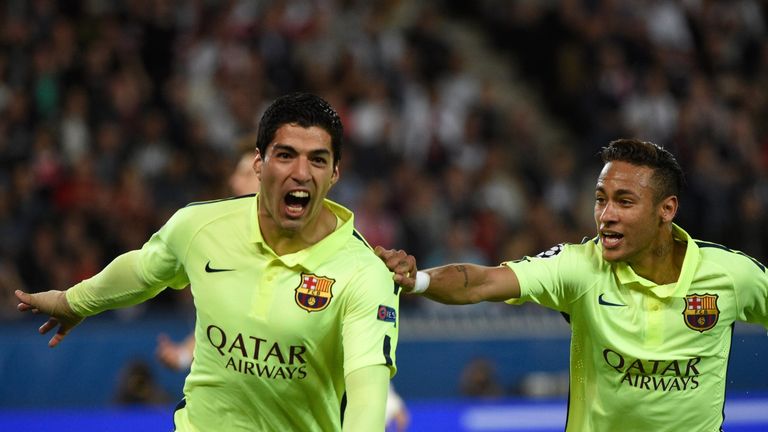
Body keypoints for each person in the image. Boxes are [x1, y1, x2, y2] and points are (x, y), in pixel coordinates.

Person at [16, 92, 400, 431]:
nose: (300, 173)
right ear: (258, 163)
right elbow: (144, 270)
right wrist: (74, 301)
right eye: (285, 156)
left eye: (317, 160)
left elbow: (366, 399)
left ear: (335, 173)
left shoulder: (363, 273)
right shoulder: (200, 227)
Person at [376, 138, 768, 432]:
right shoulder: (578, 268)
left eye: (625, 202)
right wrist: (420, 280)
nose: (606, 215)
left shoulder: (728, 275)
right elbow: (481, 281)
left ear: (666, 209)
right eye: (601, 199)